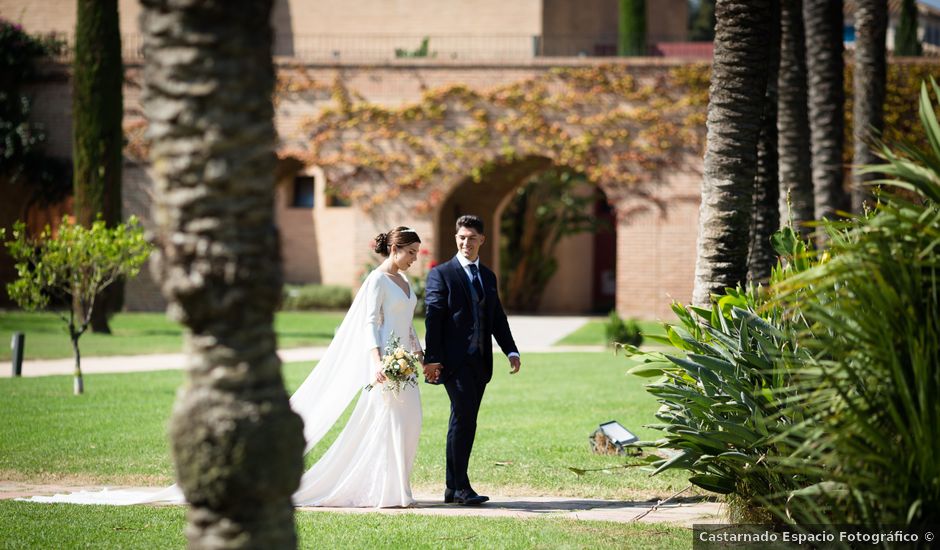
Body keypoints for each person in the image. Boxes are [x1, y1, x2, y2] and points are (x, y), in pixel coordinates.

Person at [27, 227, 425, 509]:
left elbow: (406, 324)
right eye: (411, 252)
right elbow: (371, 324)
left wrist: (418, 354)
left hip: (403, 365)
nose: (414, 259)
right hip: (381, 366)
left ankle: (398, 487)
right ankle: (385, 492)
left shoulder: (407, 284)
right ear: (395, 249)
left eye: (416, 254)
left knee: (411, 424)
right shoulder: (377, 281)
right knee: (384, 423)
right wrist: (376, 360)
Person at [423, 214, 521, 506]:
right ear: (456, 239)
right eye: (461, 238)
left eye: (472, 238)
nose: (466, 243)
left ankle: (452, 488)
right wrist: (432, 359)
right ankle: (462, 487)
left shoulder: (488, 276)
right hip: (454, 363)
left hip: (480, 363)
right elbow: (434, 318)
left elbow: (497, 318)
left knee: (463, 421)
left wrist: (511, 350)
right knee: (465, 420)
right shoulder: (441, 274)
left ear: (482, 240)